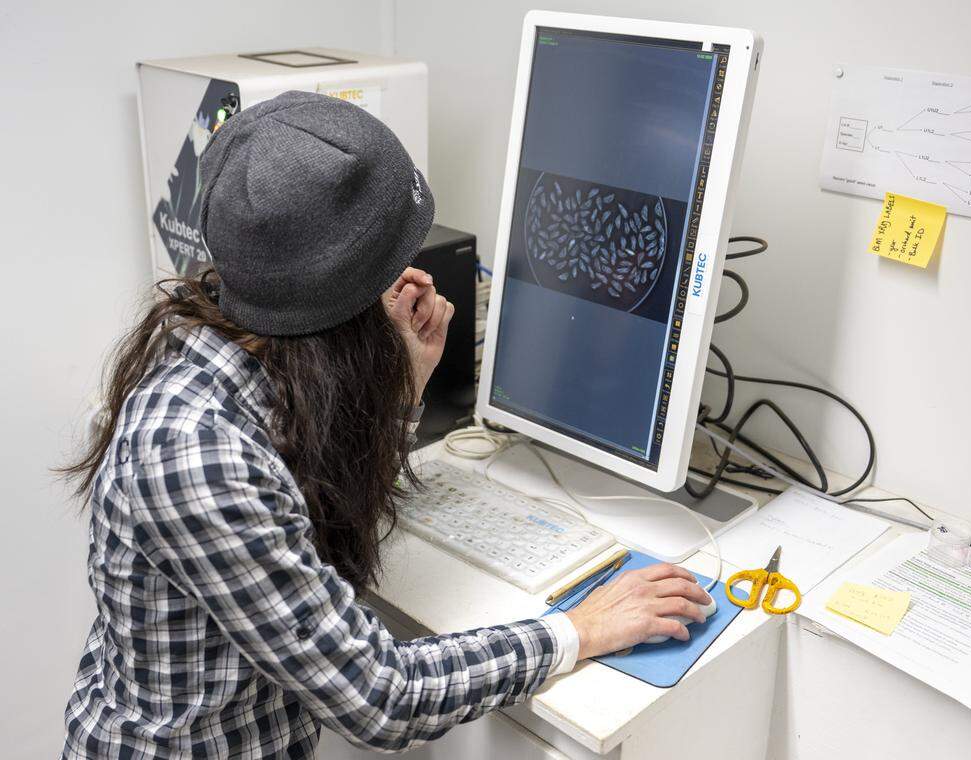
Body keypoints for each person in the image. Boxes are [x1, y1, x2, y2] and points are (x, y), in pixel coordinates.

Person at [59, 91, 712, 757]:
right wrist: (580, 629)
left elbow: (314, 525)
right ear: (342, 310)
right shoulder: (196, 453)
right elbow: (381, 698)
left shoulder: (242, 343)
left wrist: (400, 393)